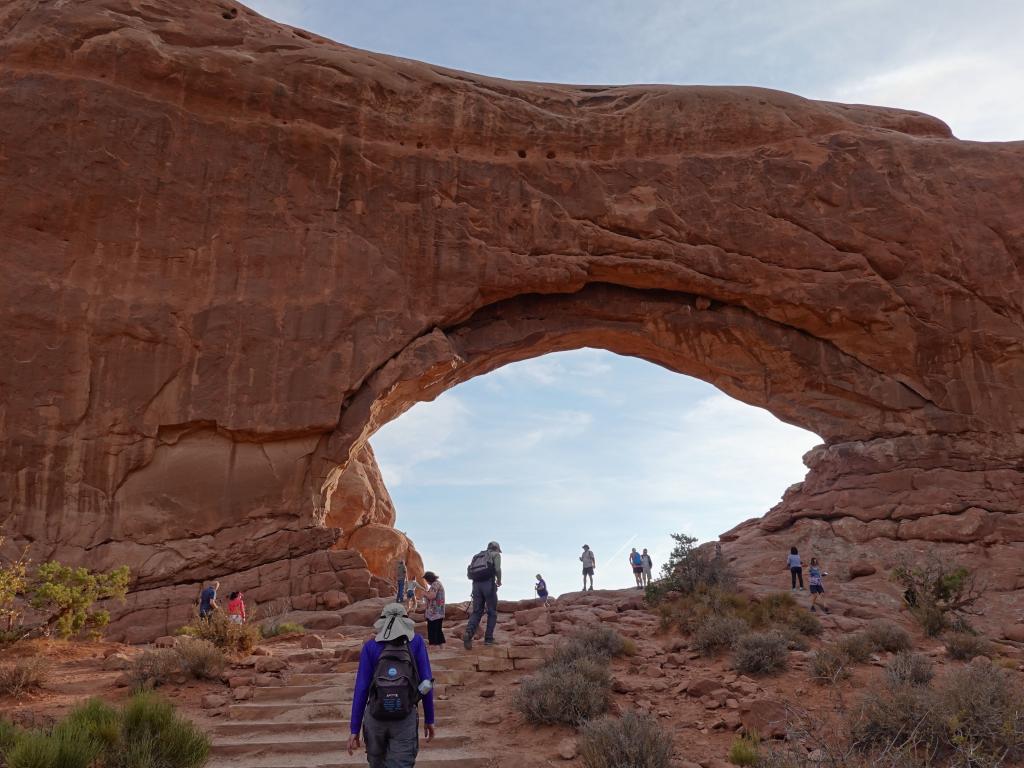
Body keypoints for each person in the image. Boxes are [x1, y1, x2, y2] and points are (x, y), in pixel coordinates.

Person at [347, 603, 436, 767]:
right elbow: (426, 682)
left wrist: (354, 728)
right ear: (406, 620)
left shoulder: (371, 646)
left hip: (375, 718)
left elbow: (361, 689)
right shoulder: (416, 642)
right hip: (405, 717)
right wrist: (429, 719)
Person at [463, 541, 502, 649]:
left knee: (476, 612)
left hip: (476, 586)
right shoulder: (495, 555)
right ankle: (489, 639)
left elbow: (469, 572)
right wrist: (499, 580)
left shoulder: (477, 556)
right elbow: (497, 569)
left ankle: (468, 633)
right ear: (497, 549)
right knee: (492, 612)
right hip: (488, 584)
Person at [423, 572, 445, 646]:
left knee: (433, 632)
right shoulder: (438, 583)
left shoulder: (435, 584)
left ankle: (434, 649)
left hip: (434, 613)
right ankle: (441, 650)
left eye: (426, 579)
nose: (426, 581)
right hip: (439, 612)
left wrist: (424, 593)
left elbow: (431, 596)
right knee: (438, 631)